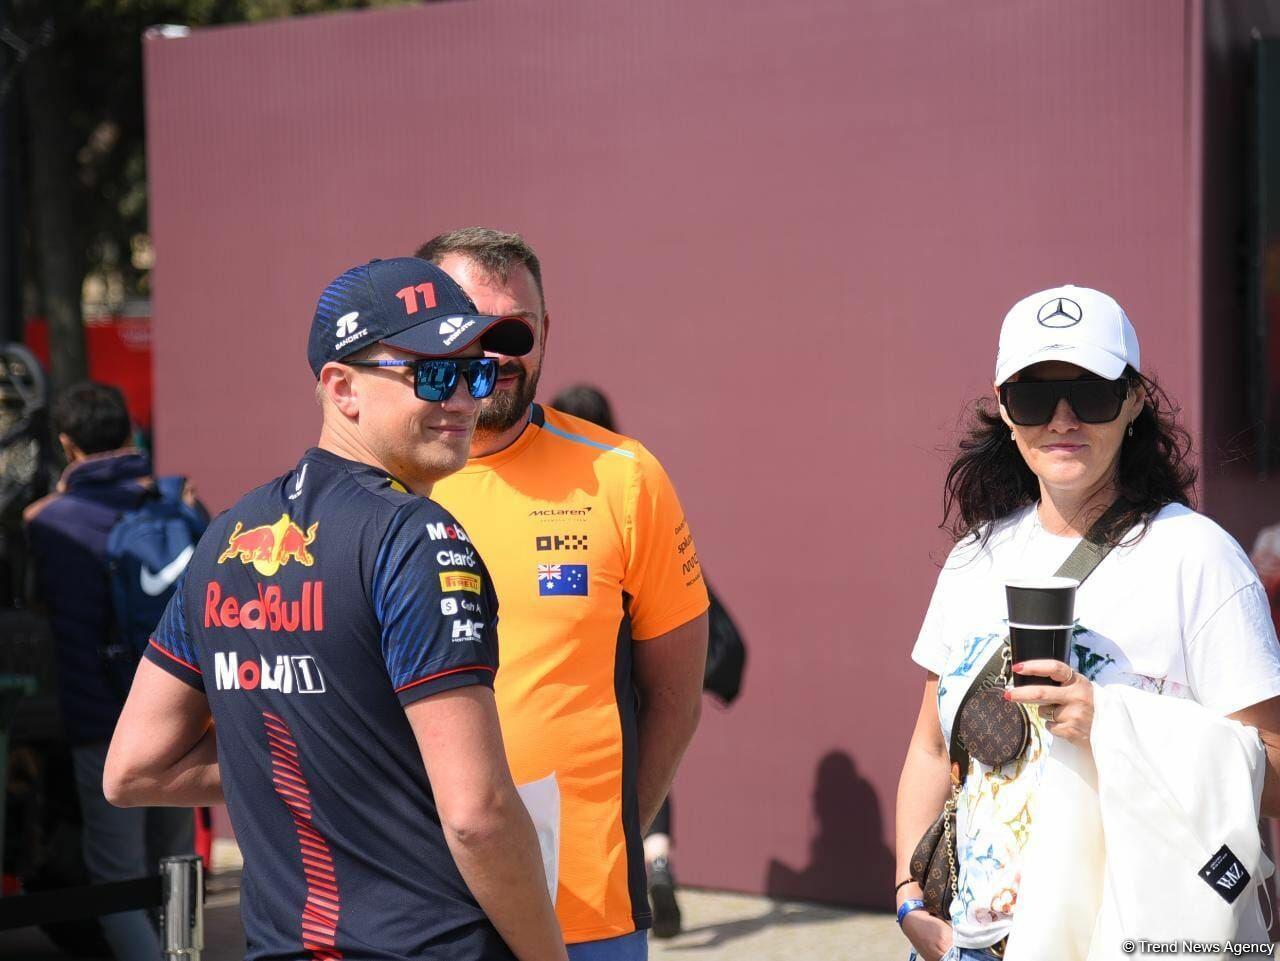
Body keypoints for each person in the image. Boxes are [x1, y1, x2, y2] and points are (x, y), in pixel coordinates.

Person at [104, 257, 568, 961]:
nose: (462, 400)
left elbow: (136, 768)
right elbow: (477, 815)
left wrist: (330, 759)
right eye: (431, 374)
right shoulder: (417, 537)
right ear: (342, 388)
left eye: (473, 373)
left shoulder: (226, 536)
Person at [894, 285, 1280, 961]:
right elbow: (930, 747)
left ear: (1132, 402)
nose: (1062, 419)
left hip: (1126, 936)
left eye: (1091, 393)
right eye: (1035, 398)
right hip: (970, 944)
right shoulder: (973, 559)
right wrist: (908, 897)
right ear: (1004, 408)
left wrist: (1114, 721)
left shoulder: (1196, 557)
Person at [417, 229, 710, 961]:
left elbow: (676, 696)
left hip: (586, 914)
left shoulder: (624, 476)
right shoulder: (378, 485)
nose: (494, 352)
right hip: (417, 910)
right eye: (468, 327)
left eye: (515, 329)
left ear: (545, 332)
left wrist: (612, 834)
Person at [549, 383, 747, 940]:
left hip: (588, 682)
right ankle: (656, 859)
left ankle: (627, 861)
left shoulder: (579, 491)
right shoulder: (633, 483)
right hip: (641, 673)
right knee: (646, 751)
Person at [23, 381, 200, 960]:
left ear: (67, 445)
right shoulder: (177, 503)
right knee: (177, 866)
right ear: (129, 432)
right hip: (182, 714)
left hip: (101, 718)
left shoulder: (48, 522)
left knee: (117, 880)